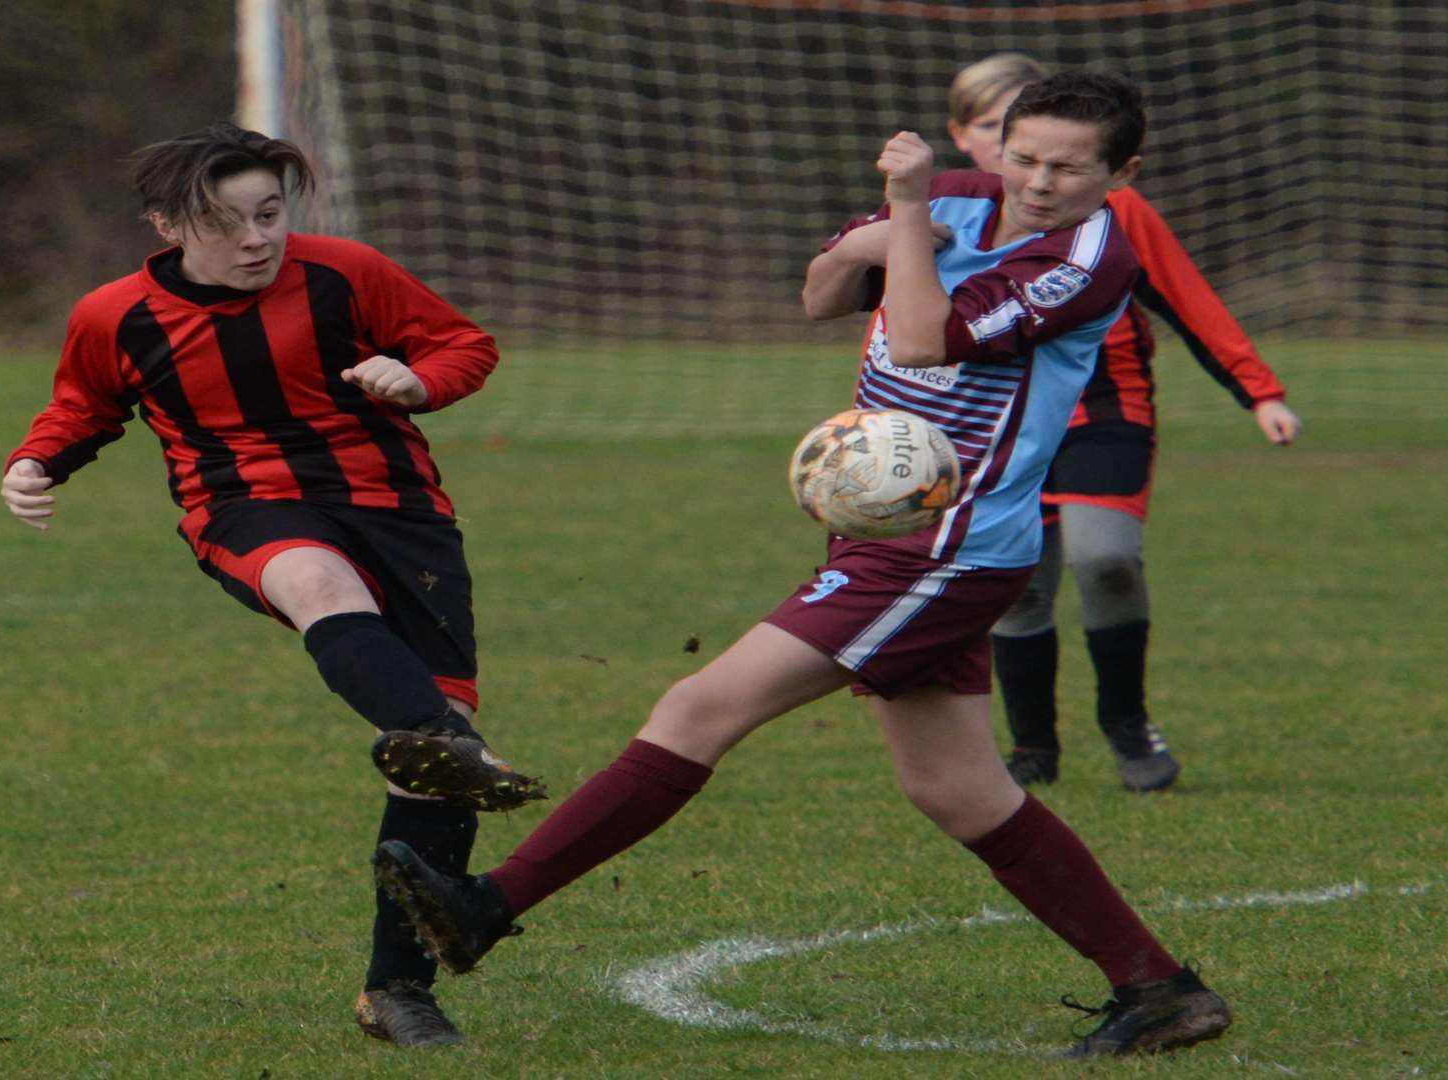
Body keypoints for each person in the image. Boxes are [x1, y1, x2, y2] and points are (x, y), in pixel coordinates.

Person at [372, 73, 1232, 1058]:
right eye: (1020, 154)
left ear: (1121, 172)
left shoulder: (1090, 256)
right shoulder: (956, 191)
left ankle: (488, 904)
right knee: (960, 790)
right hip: (892, 536)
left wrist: (902, 216)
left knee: (700, 708)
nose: (1035, 182)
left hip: (944, 548)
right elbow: (822, 292)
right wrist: (884, 235)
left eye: (1068, 168)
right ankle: (1158, 989)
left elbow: (916, 338)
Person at [0, 121, 548, 1049]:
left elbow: (464, 345)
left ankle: (396, 993)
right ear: (168, 224)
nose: (260, 239)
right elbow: (84, 403)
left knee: (423, 770)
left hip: (402, 514)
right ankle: (449, 742)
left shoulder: (345, 272)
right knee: (320, 589)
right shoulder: (114, 314)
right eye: (231, 222)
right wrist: (37, 461)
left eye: (270, 213)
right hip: (242, 506)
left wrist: (415, 380)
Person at [948, 54, 1303, 793]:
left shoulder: (1120, 215)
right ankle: (1033, 747)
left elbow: (1188, 302)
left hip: (1104, 411)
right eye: (1005, 135)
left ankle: (1126, 720)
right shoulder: (952, 213)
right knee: (1016, 586)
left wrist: (1259, 392)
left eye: (1062, 153)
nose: (1041, 169)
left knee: (1105, 558)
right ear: (974, 139)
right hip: (994, 422)